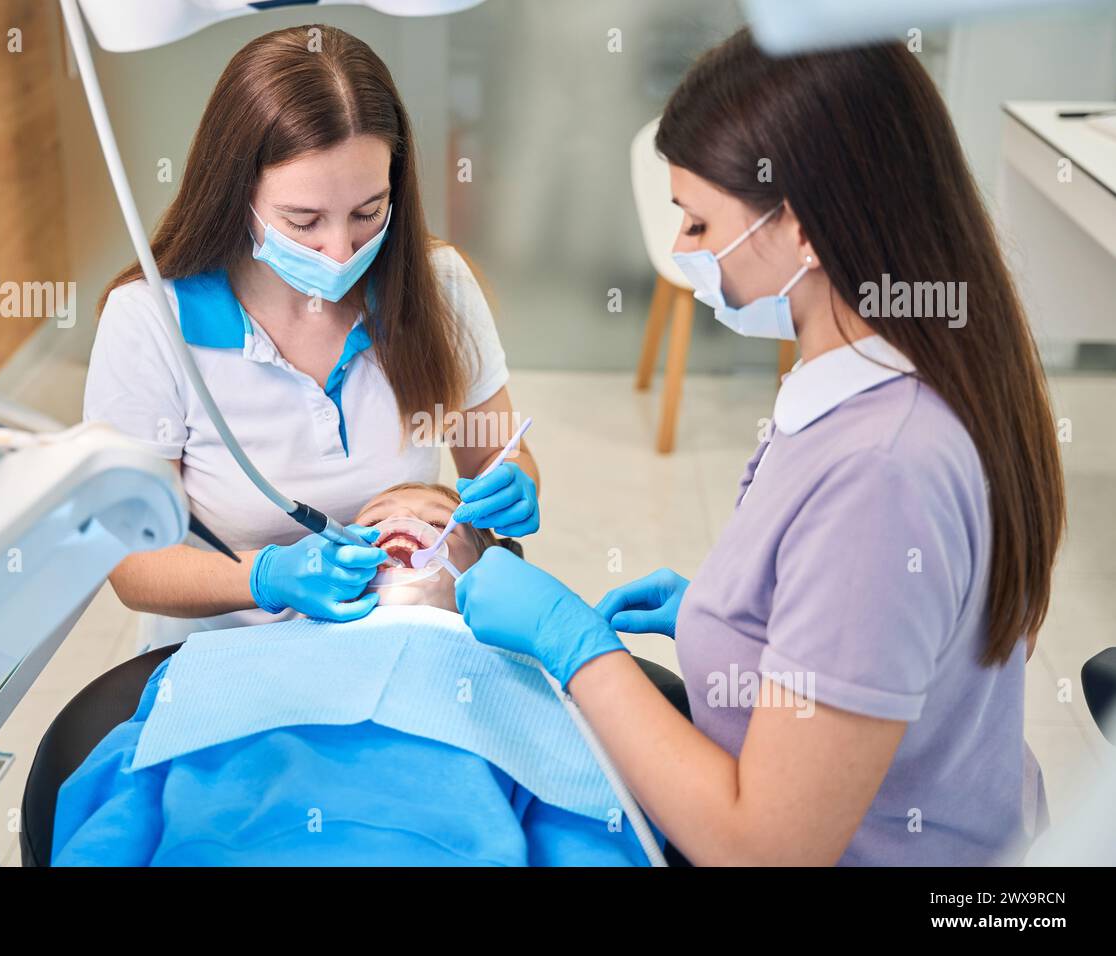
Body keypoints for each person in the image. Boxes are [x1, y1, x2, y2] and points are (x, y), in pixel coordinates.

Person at [454, 28, 1065, 866]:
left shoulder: (883, 472)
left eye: (701, 223)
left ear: (803, 228)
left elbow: (765, 850)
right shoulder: (900, 361)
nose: (681, 251)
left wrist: (574, 646)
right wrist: (734, 624)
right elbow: (874, 614)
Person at [82, 25, 538, 653]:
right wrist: (266, 577)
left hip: (398, 651)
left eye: (368, 212)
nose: (341, 250)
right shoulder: (150, 322)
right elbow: (132, 568)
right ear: (236, 193)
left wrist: (514, 482)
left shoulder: (438, 287)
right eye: (304, 221)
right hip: (222, 663)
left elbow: (494, 456)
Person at [52, 483, 652, 867]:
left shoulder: (526, 685)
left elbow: (582, 824)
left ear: (487, 574)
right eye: (374, 518)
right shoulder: (218, 662)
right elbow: (121, 805)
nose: (403, 519)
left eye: (439, 518)